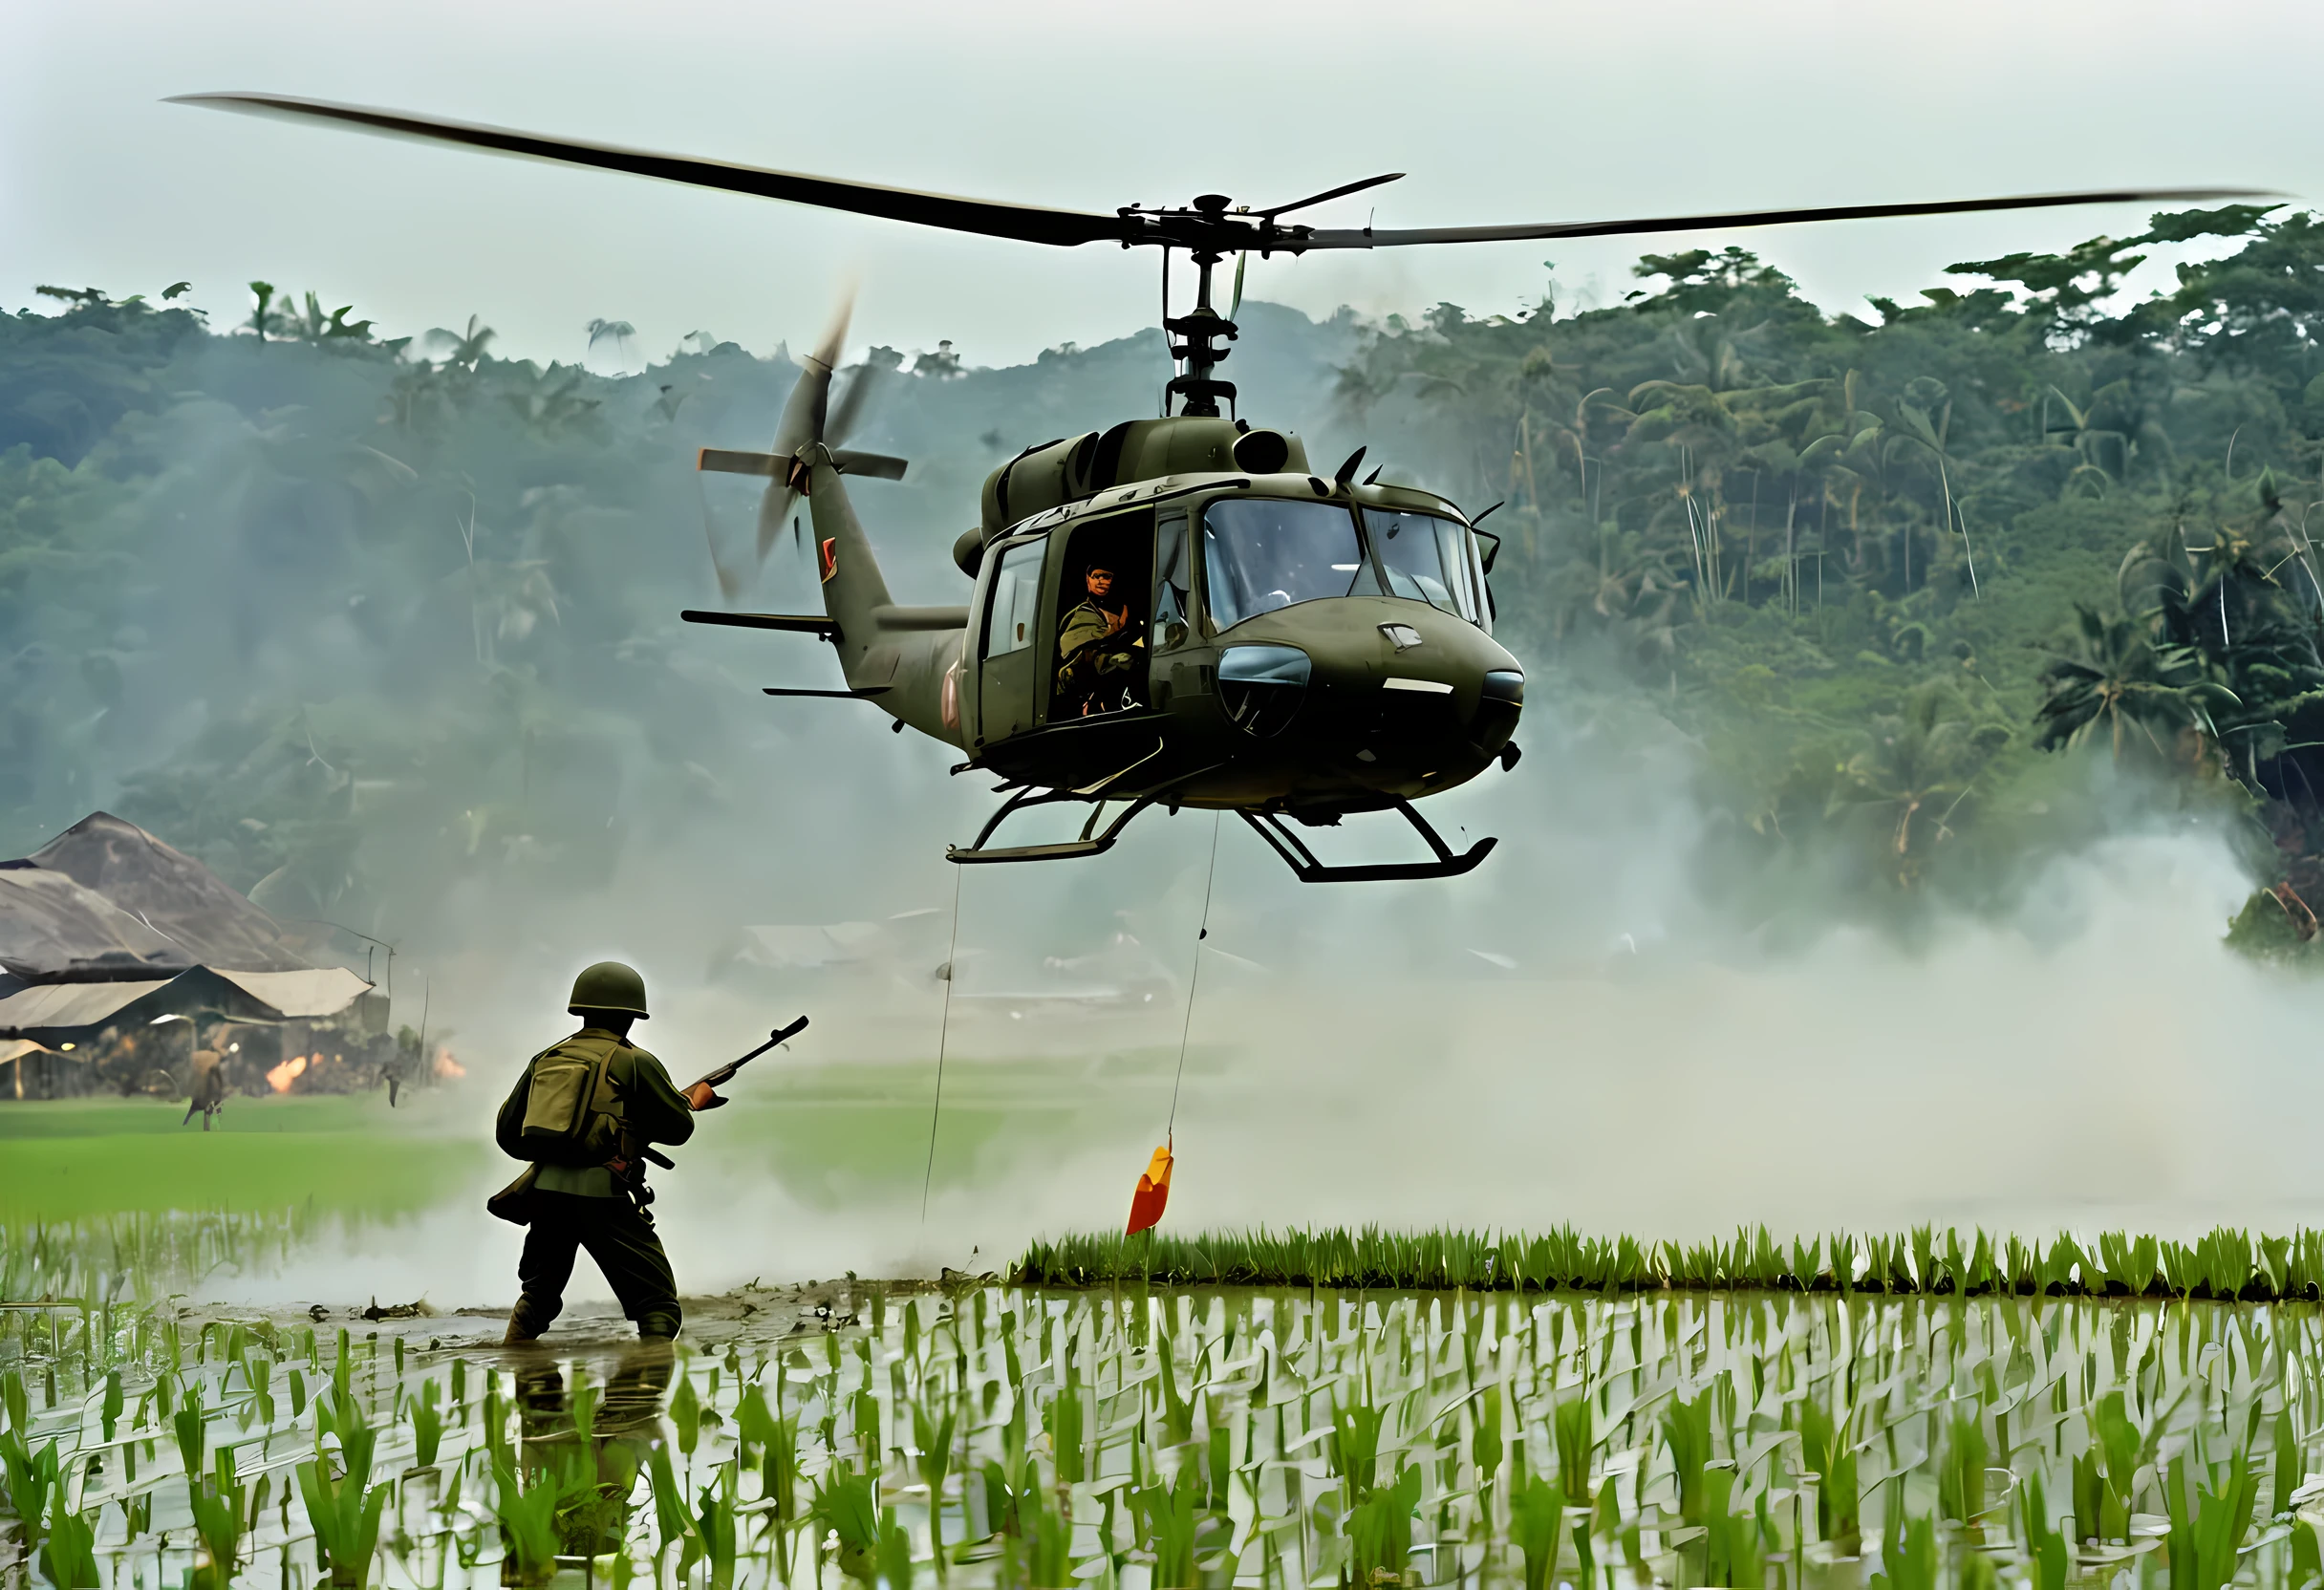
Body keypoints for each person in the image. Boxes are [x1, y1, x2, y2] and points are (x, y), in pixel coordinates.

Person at [495, 961, 723, 1343]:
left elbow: (508, 1133)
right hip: (604, 1195)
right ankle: (639, 1397)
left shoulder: (547, 1058)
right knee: (658, 1307)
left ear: (580, 1009)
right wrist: (690, 1103)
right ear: (633, 1014)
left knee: (539, 1294)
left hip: (545, 1193)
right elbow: (678, 1130)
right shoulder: (634, 1061)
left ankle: (519, 1376)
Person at [1055, 562, 1146, 717]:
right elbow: (1073, 647)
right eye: (1097, 576)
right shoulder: (1082, 612)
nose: (1102, 581)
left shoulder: (1124, 608)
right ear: (1088, 579)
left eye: (1107, 576)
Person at [183, 1039, 226, 1130]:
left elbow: (190, 1071)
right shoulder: (214, 1056)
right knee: (216, 1101)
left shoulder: (194, 1055)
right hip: (210, 1085)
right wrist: (221, 1085)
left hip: (198, 1084)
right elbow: (217, 1071)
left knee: (195, 1105)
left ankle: (186, 1122)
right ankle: (218, 1119)